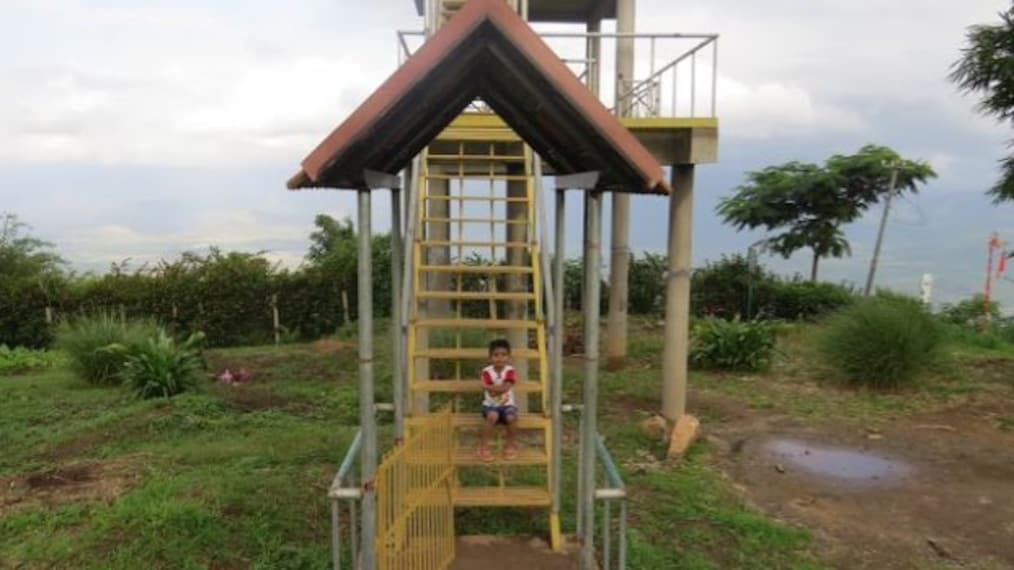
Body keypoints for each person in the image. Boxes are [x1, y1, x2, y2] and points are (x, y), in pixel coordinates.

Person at [478, 338, 519, 462]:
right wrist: (495, 388)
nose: (500, 358)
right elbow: (492, 393)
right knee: (492, 416)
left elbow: (505, 388)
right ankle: (484, 447)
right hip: (490, 405)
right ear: (490, 358)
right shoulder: (486, 372)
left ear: (509, 357)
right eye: (496, 355)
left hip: (508, 405)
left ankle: (510, 445)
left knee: (511, 417)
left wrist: (486, 386)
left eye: (503, 355)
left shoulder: (510, 371)